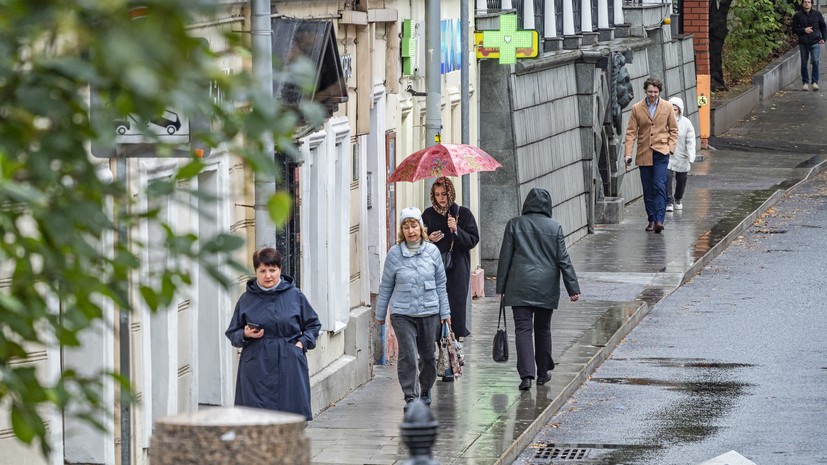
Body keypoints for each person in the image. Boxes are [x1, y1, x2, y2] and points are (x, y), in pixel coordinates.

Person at [496, 188, 580, 391]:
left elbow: (505, 257)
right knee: (543, 329)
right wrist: (573, 288)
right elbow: (563, 260)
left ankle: (526, 376)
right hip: (546, 286)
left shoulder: (515, 224)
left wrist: (501, 286)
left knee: (523, 330)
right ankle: (543, 373)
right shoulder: (555, 227)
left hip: (519, 286)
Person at [225, 247, 321, 421]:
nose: (268, 275)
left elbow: (313, 325)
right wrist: (245, 334)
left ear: (280, 270)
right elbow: (233, 332)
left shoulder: (295, 296)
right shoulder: (247, 299)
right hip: (256, 366)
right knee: (255, 420)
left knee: (290, 418)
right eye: (262, 271)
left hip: (288, 362)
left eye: (272, 270)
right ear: (256, 272)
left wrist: (300, 345)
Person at [376, 207, 451, 411]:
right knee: (407, 355)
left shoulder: (432, 252)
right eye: (406, 227)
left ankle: (426, 389)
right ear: (402, 230)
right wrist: (380, 315)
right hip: (402, 313)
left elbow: (441, 285)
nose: (411, 231)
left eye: (414, 225)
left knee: (427, 355)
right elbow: (386, 286)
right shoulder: (394, 254)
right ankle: (410, 396)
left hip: (429, 311)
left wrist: (445, 313)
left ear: (421, 227)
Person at [421, 177, 479, 341]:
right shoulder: (428, 214)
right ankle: (436, 335)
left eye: (444, 194)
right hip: (434, 266)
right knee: (435, 301)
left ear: (451, 193)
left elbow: (473, 239)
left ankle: (455, 337)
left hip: (458, 265)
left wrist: (456, 230)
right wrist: (429, 238)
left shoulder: (463, 213)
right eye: (437, 194)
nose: (441, 198)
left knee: (456, 301)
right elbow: (418, 239)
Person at [624, 77, 678, 234]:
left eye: (655, 92)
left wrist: (670, 148)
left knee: (659, 184)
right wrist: (628, 154)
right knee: (647, 188)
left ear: (659, 92)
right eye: (650, 92)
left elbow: (674, 130)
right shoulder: (637, 108)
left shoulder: (667, 107)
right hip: (644, 152)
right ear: (645, 91)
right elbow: (631, 132)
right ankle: (651, 219)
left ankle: (660, 220)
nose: (652, 95)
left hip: (661, 152)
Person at [665, 97, 697, 212]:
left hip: (682, 155)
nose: (673, 112)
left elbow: (691, 140)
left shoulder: (686, 123)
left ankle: (678, 198)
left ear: (679, 110)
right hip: (667, 155)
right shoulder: (664, 121)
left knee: (681, 179)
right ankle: (669, 201)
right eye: (671, 109)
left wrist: (691, 155)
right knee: (667, 177)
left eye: (675, 109)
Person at [792, 0, 827, 91]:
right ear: (802, 4)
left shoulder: (817, 14)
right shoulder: (798, 16)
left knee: (815, 61)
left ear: (812, 4)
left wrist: (823, 38)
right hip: (803, 43)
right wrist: (804, 30)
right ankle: (805, 82)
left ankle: (815, 82)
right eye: (805, 2)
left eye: (808, 2)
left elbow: (823, 27)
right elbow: (794, 29)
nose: (807, 4)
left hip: (815, 41)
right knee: (804, 63)